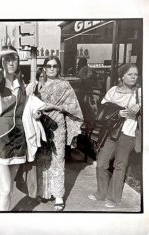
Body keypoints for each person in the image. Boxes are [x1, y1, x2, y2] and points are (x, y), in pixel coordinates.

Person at [0, 46, 61, 211]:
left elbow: (29, 106)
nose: (11, 62)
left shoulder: (21, 84)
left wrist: (37, 113)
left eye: (14, 58)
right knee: (4, 188)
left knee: (9, 189)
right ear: (1, 61)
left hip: (19, 137)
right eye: (7, 59)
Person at [28, 55, 83, 211]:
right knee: (41, 158)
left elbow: (72, 107)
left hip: (57, 125)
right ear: (44, 68)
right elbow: (29, 104)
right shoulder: (37, 86)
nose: (51, 68)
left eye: (55, 66)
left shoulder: (65, 86)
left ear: (59, 68)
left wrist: (55, 107)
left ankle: (58, 195)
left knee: (58, 159)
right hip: (39, 124)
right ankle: (43, 191)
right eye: (49, 66)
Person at [88, 63, 141, 208]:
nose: (133, 77)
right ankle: (101, 193)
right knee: (101, 163)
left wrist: (140, 106)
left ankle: (113, 198)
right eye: (130, 74)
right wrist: (117, 113)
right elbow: (103, 107)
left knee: (120, 165)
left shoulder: (140, 93)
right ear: (122, 76)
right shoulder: (113, 91)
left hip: (128, 133)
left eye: (135, 74)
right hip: (112, 132)